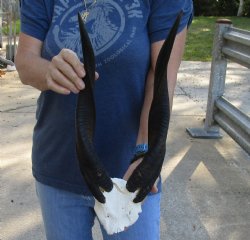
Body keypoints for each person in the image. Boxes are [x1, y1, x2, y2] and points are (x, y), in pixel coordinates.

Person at [15, 0, 193, 239]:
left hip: (132, 173)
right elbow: (25, 63)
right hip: (59, 165)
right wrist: (48, 72)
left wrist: (145, 149)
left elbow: (162, 77)